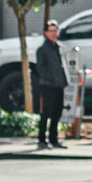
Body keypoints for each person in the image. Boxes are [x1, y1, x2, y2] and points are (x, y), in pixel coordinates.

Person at [34, 20, 69, 150]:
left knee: (57, 113)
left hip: (59, 85)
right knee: (46, 113)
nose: (54, 33)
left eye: (55, 30)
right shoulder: (43, 49)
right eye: (51, 31)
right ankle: (41, 140)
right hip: (48, 86)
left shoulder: (59, 48)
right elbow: (40, 68)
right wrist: (50, 79)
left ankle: (54, 139)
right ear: (46, 33)